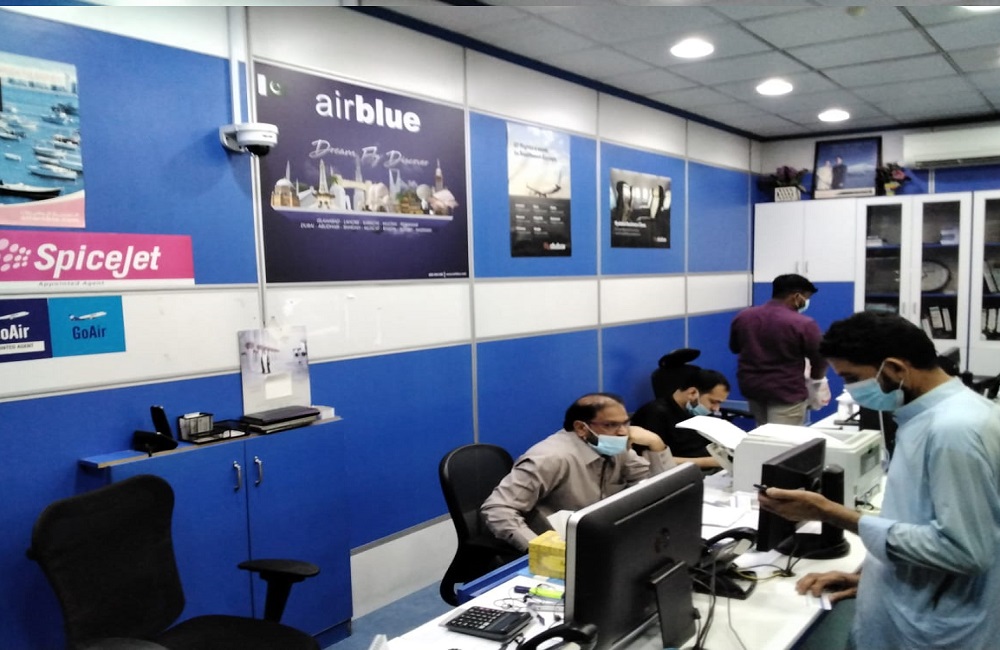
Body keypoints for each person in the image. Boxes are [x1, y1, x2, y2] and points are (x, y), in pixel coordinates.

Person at [759, 311, 1000, 650]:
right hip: (913, 598)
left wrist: (830, 512)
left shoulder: (953, 431)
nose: (850, 389)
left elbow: (965, 550)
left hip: (931, 630)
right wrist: (871, 579)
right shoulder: (943, 414)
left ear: (895, 369)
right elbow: (924, 520)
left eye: (853, 377)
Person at [481, 392, 675, 552]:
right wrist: (540, 550)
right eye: (611, 425)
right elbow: (498, 509)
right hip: (562, 547)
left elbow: (657, 492)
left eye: (626, 423)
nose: (623, 432)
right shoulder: (550, 458)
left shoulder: (617, 448)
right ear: (582, 428)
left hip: (603, 539)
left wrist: (656, 444)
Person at [729, 273, 827, 425]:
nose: (806, 302)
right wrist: (815, 384)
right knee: (782, 438)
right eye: (806, 298)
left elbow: (735, 348)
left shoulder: (743, 317)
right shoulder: (803, 323)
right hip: (786, 392)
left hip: (753, 389)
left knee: (762, 432)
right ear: (796, 296)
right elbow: (819, 359)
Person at [632, 366, 725, 470]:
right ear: (692, 393)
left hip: (713, 467)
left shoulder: (698, 411)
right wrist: (711, 462)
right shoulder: (654, 413)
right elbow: (651, 461)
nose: (716, 409)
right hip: (680, 473)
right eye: (713, 402)